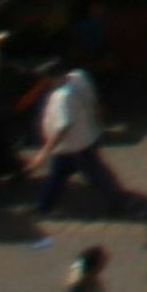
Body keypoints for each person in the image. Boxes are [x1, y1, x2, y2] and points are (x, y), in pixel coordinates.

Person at [35, 65, 121, 216]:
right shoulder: (79, 77)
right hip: (86, 137)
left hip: (72, 146)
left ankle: (118, 202)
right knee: (61, 176)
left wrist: (44, 152)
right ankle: (44, 207)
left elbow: (63, 126)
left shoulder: (62, 97)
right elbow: (94, 100)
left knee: (94, 175)